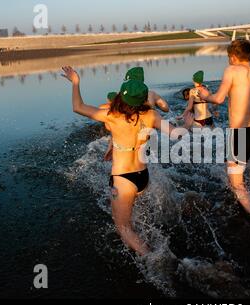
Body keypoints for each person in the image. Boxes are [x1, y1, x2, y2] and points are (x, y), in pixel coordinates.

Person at [61, 66, 193, 255]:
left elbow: (78, 107)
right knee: (131, 214)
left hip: (123, 180)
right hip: (142, 177)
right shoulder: (151, 116)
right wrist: (187, 125)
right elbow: (177, 134)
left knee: (123, 229)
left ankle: (154, 258)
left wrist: (75, 82)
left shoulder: (113, 117)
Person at [198, 40, 250, 217]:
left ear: (233, 57)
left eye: (228, 57)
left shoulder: (231, 71)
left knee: (236, 184)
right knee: (237, 171)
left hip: (238, 134)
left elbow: (218, 99)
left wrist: (205, 95)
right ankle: (248, 201)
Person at [104, 67, 170, 162]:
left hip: (128, 137)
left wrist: (110, 147)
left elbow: (115, 120)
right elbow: (166, 108)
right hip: (148, 134)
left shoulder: (122, 95)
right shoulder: (151, 94)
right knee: (148, 160)